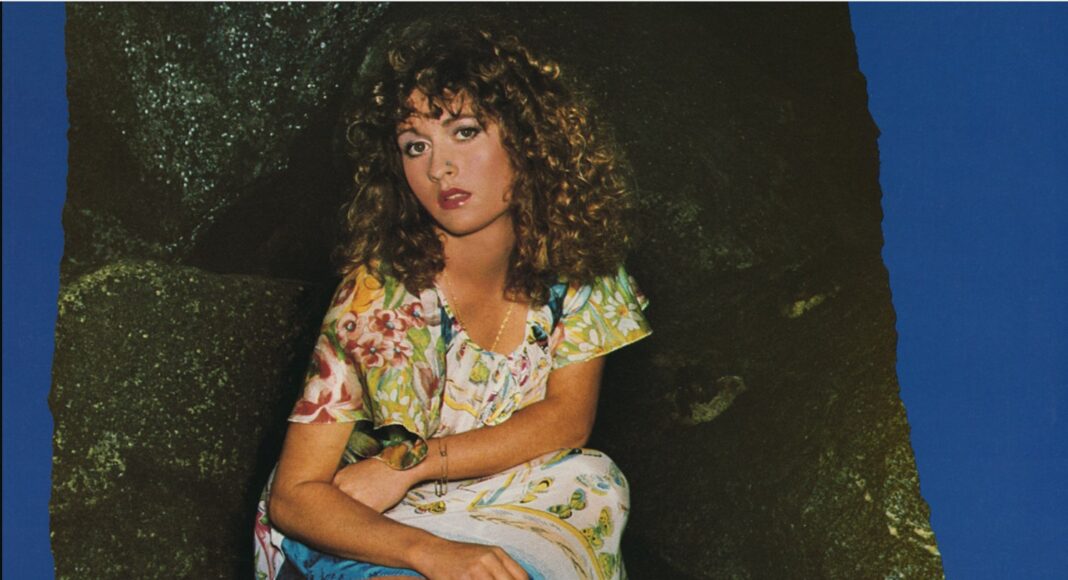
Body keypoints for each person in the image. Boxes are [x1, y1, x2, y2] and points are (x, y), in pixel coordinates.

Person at [254, 18, 652, 580]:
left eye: (464, 132)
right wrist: (431, 552)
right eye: (415, 146)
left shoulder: (578, 268)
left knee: (595, 480)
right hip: (371, 522)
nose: (439, 168)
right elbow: (295, 496)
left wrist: (414, 464)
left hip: (508, 494)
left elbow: (566, 420)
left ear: (528, 139)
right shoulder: (380, 296)